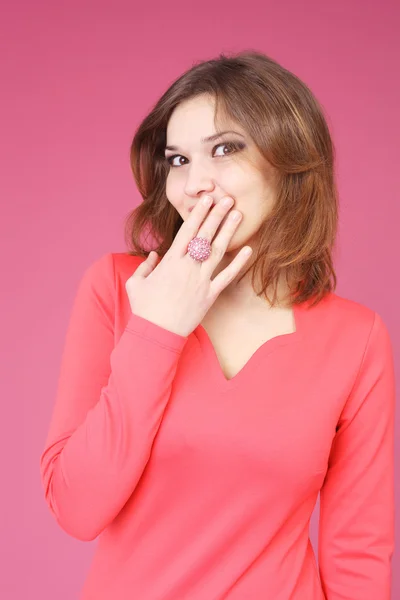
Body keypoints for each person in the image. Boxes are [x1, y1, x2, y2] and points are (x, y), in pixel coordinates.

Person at [39, 51, 395, 599]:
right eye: (177, 160)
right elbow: (77, 508)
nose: (194, 184)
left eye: (225, 149)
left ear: (291, 163)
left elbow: (358, 556)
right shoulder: (117, 289)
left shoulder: (356, 338)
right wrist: (157, 330)